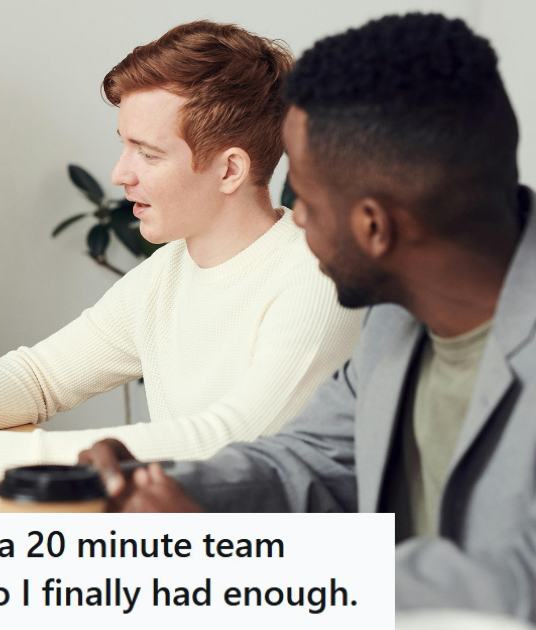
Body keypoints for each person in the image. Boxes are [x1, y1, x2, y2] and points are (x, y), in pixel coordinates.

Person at [80, 14, 536, 622]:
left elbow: (517, 585)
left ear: (374, 227)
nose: (294, 220)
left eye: (308, 202)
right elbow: (311, 460)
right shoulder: (397, 323)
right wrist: (167, 488)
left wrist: (255, 565)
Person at [0, 21, 363, 490]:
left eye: (148, 154)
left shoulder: (315, 280)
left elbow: (229, 445)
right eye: (124, 145)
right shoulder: (168, 272)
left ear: (230, 170)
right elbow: (44, 377)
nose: (120, 174)